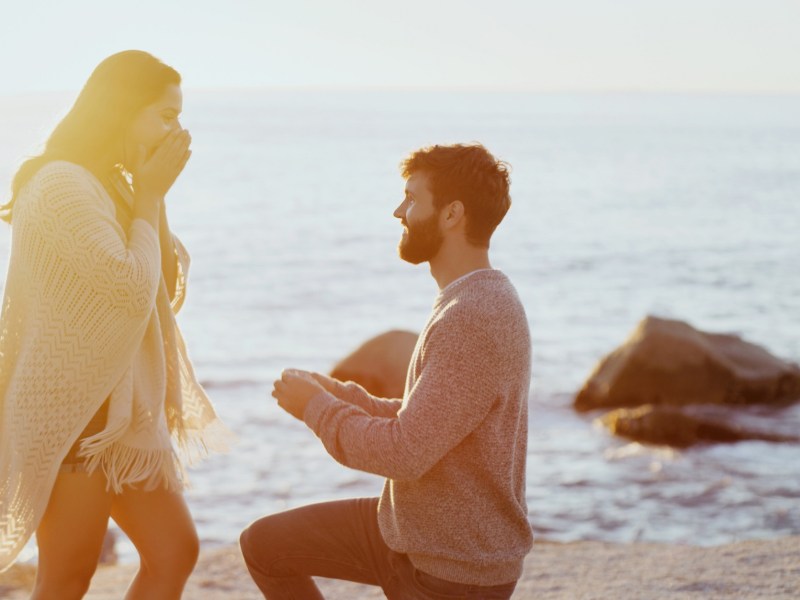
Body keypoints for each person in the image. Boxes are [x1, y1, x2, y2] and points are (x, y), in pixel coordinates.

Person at [241, 143, 533, 599]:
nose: (399, 211)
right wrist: (338, 394)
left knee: (266, 545)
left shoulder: (474, 316)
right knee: (266, 544)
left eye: (413, 198)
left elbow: (404, 453)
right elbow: (428, 420)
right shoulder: (472, 299)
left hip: (449, 572)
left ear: (452, 214)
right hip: (414, 534)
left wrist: (318, 409)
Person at [0, 50, 227, 599]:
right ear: (121, 113)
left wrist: (155, 195)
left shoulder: (119, 186)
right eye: (165, 116)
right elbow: (129, 286)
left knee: (174, 550)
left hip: (121, 418)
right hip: (77, 413)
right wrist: (148, 194)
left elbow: (164, 286)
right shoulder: (61, 186)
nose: (179, 130)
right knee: (67, 578)